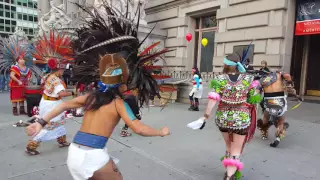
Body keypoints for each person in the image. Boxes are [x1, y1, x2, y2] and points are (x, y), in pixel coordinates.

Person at [26, 2, 170, 179]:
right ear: (122, 83)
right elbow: (139, 128)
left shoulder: (90, 97)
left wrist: (40, 122)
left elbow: (62, 106)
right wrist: (160, 132)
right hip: (93, 157)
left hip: (74, 154)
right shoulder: (118, 104)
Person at [188, 54, 262, 180]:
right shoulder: (249, 79)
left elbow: (213, 99)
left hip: (223, 118)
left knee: (229, 145)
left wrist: (205, 117)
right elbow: (252, 99)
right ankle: (229, 176)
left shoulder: (219, 78)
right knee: (236, 148)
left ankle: (228, 170)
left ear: (226, 64)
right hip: (241, 119)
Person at [25, 30, 75, 155]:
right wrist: (73, 93)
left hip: (46, 101)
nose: (63, 71)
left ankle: (62, 140)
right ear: (58, 69)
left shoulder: (48, 75)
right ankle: (31, 146)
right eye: (62, 69)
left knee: (58, 123)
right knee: (48, 125)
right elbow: (61, 94)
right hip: (52, 104)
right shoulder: (56, 80)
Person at [257, 69, 295, 148]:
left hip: (268, 100)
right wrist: (289, 84)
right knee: (281, 119)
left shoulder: (263, 79)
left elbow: (257, 91)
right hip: (279, 99)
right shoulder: (280, 74)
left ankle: (264, 132)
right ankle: (278, 136)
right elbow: (287, 76)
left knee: (266, 116)